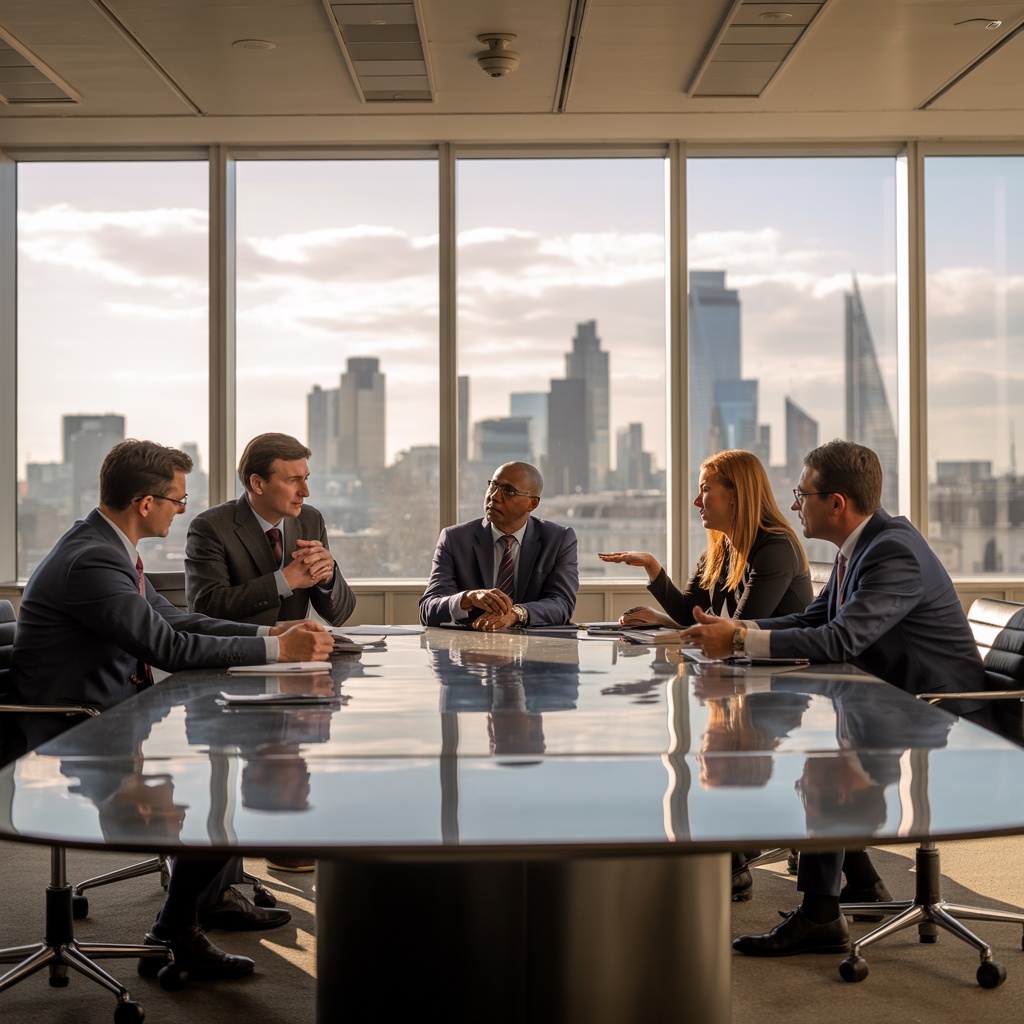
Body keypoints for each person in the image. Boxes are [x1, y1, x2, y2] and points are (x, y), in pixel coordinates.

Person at [9, 439, 335, 980]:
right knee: (218, 796)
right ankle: (176, 928)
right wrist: (279, 650)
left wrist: (267, 630)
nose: (181, 511)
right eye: (177, 501)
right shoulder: (92, 560)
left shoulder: (109, 549)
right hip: (69, 730)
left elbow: (177, 621)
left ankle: (182, 922)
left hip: (107, 711)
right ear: (145, 503)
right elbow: (169, 650)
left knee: (223, 783)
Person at [679, 439, 986, 957]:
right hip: (899, 698)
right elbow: (814, 620)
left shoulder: (892, 550)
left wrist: (736, 639)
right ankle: (843, 898)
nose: (795, 504)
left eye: (802, 495)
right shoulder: (859, 548)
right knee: (821, 758)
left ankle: (821, 914)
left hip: (947, 714)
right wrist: (740, 626)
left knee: (823, 764)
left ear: (836, 503)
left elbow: (843, 640)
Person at [599, 449, 812, 627]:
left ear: (736, 495)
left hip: (785, 674)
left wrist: (662, 620)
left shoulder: (775, 550)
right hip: (750, 669)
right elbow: (689, 613)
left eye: (705, 489)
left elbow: (739, 630)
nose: (696, 501)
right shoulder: (719, 552)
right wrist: (651, 565)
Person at [185, 432, 355, 628]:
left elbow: (341, 615)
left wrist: (328, 577)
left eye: (306, 478)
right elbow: (205, 609)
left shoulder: (311, 520)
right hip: (242, 654)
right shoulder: (210, 526)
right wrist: (285, 580)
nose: (305, 492)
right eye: (293, 480)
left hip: (300, 654)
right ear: (257, 484)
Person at [419, 462, 579, 631]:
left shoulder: (558, 539)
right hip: (471, 650)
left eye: (508, 492)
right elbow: (428, 608)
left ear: (532, 504)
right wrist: (467, 598)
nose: (494, 496)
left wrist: (516, 614)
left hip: (536, 650)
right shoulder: (455, 539)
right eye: (493, 486)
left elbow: (562, 604)